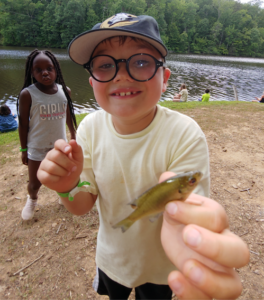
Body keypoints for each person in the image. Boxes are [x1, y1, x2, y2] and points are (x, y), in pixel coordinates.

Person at [37, 13, 249, 300]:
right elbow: (82, 203)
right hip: (113, 260)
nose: (121, 74)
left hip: (164, 267)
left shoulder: (185, 134)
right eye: (104, 65)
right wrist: (66, 187)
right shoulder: (89, 129)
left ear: (165, 80)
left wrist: (196, 245)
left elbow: (190, 215)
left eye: (140, 62)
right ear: (92, 82)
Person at [17, 49, 77, 221]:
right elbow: (23, 124)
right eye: (38, 69)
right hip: (37, 146)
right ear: (31, 72)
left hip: (59, 145)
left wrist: (73, 133)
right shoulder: (27, 94)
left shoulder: (65, 91)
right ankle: (32, 199)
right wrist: (23, 149)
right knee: (35, 182)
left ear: (56, 69)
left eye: (49, 68)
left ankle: (62, 194)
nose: (45, 72)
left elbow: (67, 114)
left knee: (61, 175)